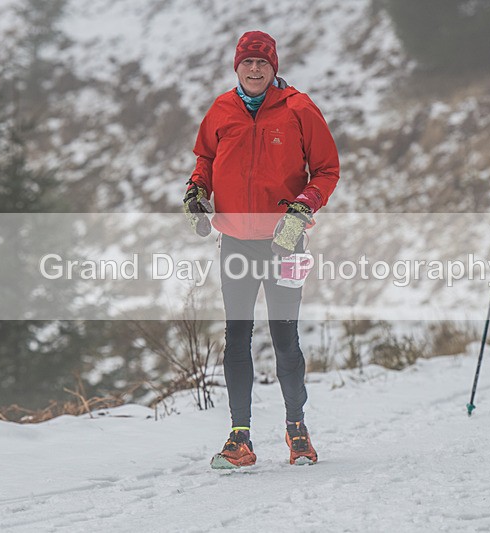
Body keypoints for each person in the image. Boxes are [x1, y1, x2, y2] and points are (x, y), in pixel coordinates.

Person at [183, 31, 340, 469]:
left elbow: (326, 170)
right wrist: (197, 189)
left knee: (285, 338)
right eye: (247, 63)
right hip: (234, 239)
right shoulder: (221, 110)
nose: (255, 70)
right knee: (237, 339)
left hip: (285, 240)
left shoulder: (299, 109)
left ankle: (297, 430)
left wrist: (302, 208)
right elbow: (205, 160)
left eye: (262, 63)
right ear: (237, 67)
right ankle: (240, 438)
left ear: (274, 67)